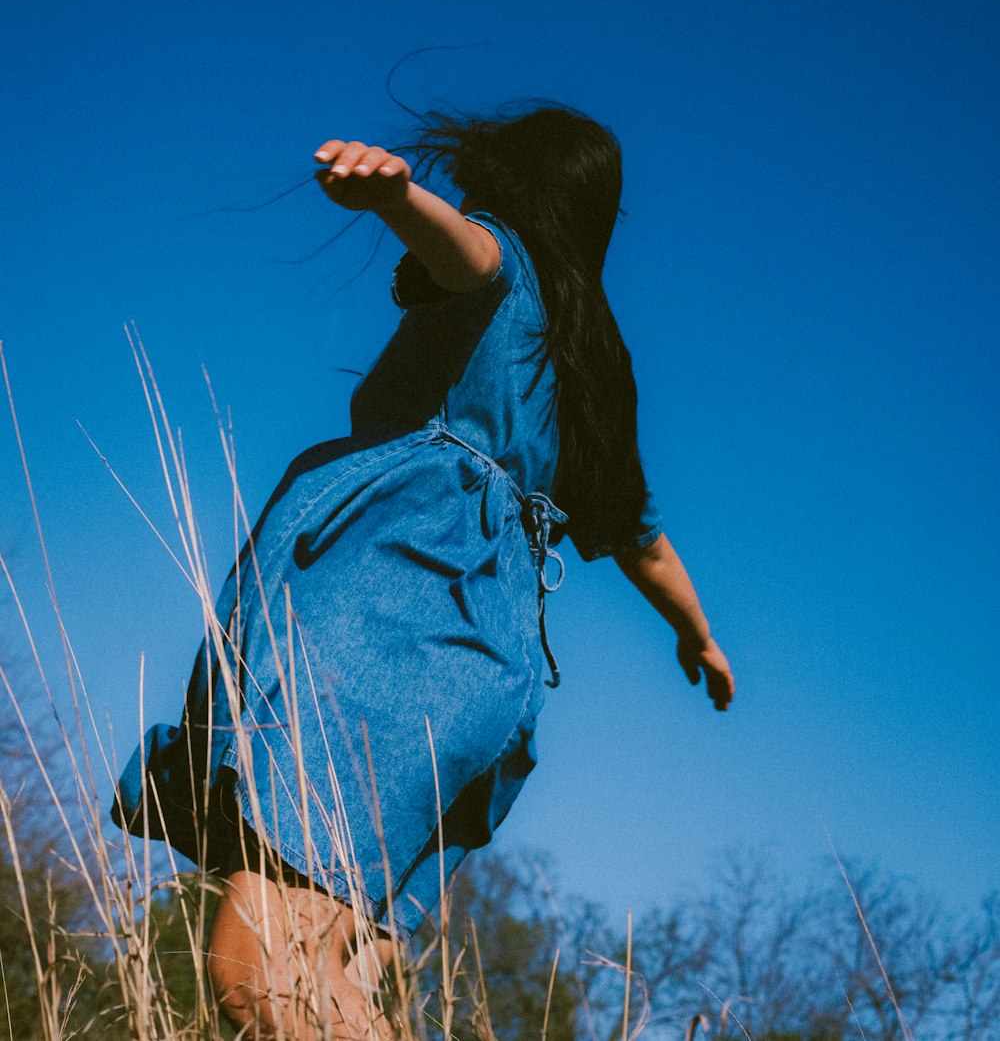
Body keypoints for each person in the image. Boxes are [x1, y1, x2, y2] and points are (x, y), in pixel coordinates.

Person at [111, 101, 734, 1040]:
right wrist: (701, 635)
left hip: (392, 636)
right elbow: (642, 541)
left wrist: (399, 197)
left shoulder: (507, 268)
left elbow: (467, 253)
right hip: (483, 673)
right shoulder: (590, 368)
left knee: (261, 968)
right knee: (330, 978)